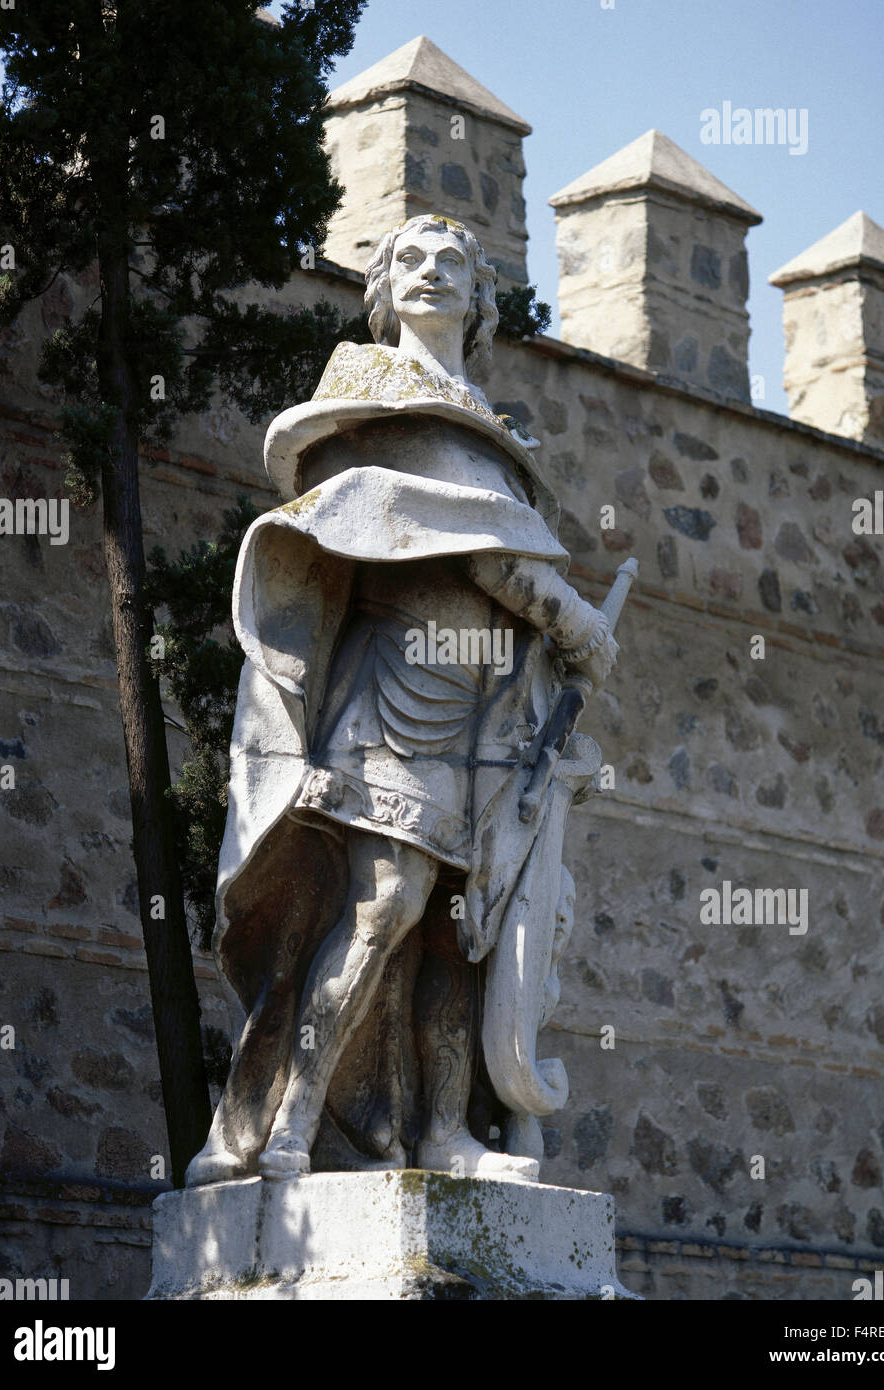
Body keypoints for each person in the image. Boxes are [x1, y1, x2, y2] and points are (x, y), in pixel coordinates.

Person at [185, 215, 619, 1188]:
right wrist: (579, 621)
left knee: (457, 936)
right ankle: (284, 1121)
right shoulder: (373, 391)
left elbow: (501, 554)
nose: (430, 275)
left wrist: (554, 662)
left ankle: (442, 1132)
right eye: (409, 260)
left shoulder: (502, 438)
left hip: (485, 715)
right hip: (394, 691)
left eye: (452, 263)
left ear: (480, 298)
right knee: (384, 906)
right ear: (381, 288)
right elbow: (482, 550)